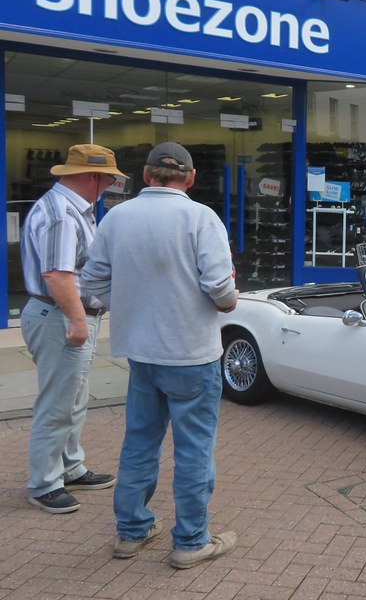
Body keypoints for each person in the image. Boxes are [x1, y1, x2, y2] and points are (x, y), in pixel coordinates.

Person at [81, 142, 239, 568]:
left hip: (141, 353)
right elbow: (221, 288)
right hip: (191, 352)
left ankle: (131, 532)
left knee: (139, 443)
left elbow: (91, 282)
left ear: (146, 176)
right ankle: (190, 541)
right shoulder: (201, 217)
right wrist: (228, 303)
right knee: (193, 451)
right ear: (189, 179)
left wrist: (127, 304)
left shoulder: (117, 217)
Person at [20, 143, 125, 514]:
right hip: (61, 316)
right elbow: (57, 275)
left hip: (62, 315)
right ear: (93, 177)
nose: (111, 184)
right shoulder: (64, 214)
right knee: (58, 401)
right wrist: (79, 319)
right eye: (109, 178)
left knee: (73, 397)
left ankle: (69, 465)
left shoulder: (66, 208)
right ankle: (44, 483)